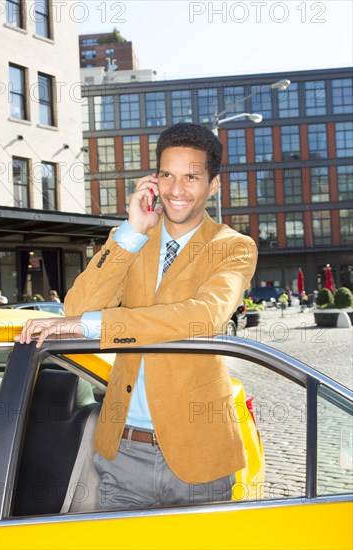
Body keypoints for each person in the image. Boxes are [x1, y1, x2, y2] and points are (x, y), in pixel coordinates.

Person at [17, 123, 258, 510]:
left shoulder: (231, 247)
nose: (176, 190)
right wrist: (131, 231)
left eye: (191, 177)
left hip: (200, 454)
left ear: (213, 184)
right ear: (154, 179)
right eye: (167, 175)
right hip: (125, 452)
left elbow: (203, 317)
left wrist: (93, 326)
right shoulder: (131, 239)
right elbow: (76, 308)